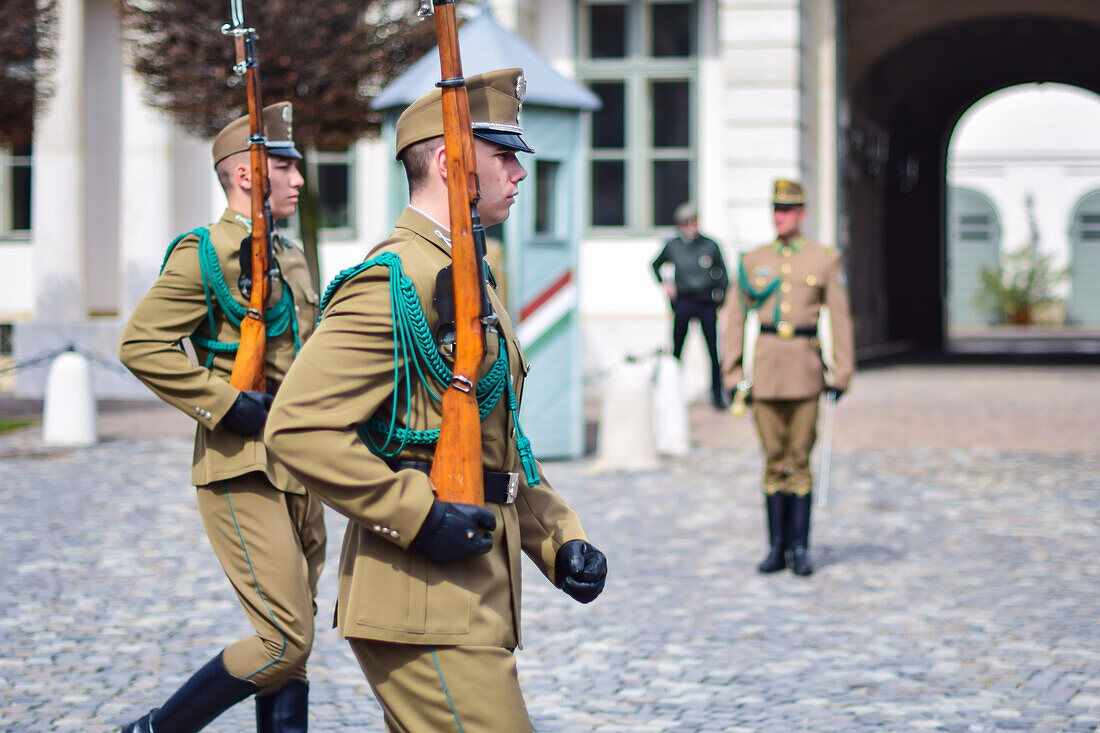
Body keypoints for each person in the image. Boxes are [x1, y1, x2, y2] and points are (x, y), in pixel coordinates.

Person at [264, 68, 607, 732]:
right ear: (453, 163)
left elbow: (495, 436)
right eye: (503, 155)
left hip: (470, 592)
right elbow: (297, 425)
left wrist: (558, 537)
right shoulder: (394, 279)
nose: (519, 172)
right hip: (422, 597)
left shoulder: (468, 272)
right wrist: (416, 513)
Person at [118, 102, 326, 732]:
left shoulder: (291, 256)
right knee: (283, 642)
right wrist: (228, 403)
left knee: (295, 633)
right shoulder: (204, 252)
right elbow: (141, 344)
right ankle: (155, 730)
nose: (298, 180)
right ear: (246, 176)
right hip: (242, 468)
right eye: (285, 167)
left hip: (302, 466)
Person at [721, 180, 854, 576]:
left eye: (789, 209)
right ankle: (775, 548)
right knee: (772, 460)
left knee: (799, 460)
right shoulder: (752, 260)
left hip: (806, 370)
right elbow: (734, 317)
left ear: (803, 213)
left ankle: (799, 548)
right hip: (765, 371)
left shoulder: (824, 259)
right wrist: (732, 370)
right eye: (776, 208)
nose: (781, 216)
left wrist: (841, 370)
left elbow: (840, 318)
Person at [651, 202, 729, 408]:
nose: (693, 227)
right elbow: (655, 265)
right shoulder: (674, 246)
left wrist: (719, 298)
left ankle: (717, 395)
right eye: (688, 223)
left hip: (705, 302)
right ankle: (671, 395)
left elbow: (723, 274)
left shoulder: (709, 245)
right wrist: (665, 284)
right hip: (684, 302)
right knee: (677, 351)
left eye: (695, 222)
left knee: (713, 351)